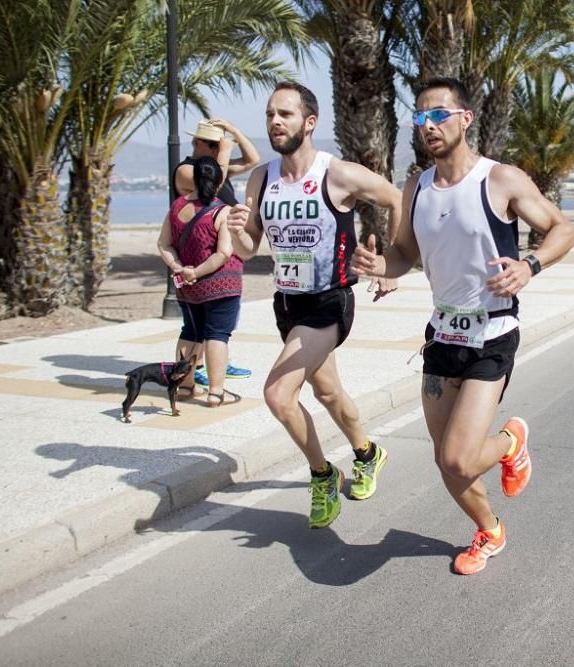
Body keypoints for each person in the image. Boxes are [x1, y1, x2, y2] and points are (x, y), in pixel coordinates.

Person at [352, 77, 574, 575]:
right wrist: (377, 266)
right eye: (420, 117)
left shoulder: (500, 180)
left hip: (492, 335)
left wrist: (531, 265)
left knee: (459, 459)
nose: (428, 126)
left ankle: (510, 443)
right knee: (446, 461)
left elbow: (564, 229)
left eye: (438, 115)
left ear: (465, 119)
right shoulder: (415, 187)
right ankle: (490, 531)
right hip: (441, 338)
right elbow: (405, 254)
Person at [226, 81, 401, 528]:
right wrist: (235, 229)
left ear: (309, 122)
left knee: (278, 394)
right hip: (288, 304)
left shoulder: (336, 173)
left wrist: (390, 266)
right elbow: (247, 250)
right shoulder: (261, 177)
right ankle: (368, 452)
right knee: (327, 392)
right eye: (269, 114)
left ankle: (323, 474)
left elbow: (396, 199)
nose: (274, 122)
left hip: (330, 302)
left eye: (284, 114)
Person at [175, 119, 260, 385]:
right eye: (212, 145)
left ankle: (219, 361)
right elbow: (212, 183)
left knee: (222, 315)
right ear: (198, 143)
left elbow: (252, 159)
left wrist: (234, 131)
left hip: (227, 244)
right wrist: (223, 153)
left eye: (218, 146)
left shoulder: (217, 166)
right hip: (202, 247)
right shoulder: (186, 170)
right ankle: (195, 368)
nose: (216, 149)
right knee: (197, 318)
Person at [157, 156, 242, 407]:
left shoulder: (176, 208)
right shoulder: (221, 210)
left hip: (188, 287)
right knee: (217, 335)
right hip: (221, 285)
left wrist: (179, 267)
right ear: (218, 181)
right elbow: (224, 252)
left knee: (190, 332)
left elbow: (164, 243)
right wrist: (199, 271)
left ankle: (184, 387)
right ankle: (216, 392)